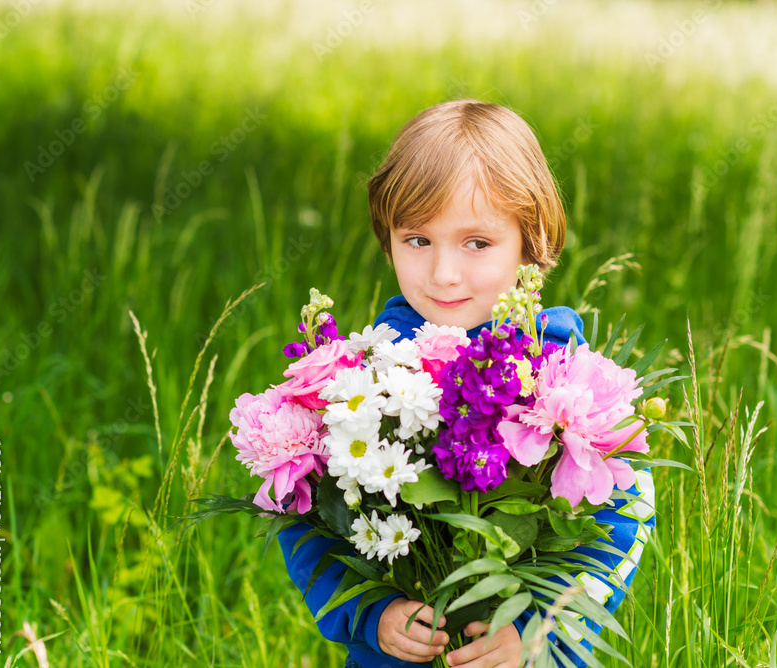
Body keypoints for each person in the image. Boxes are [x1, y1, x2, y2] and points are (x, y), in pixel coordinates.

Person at [278, 99, 656, 668]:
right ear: (387, 238)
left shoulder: (565, 378)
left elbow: (626, 518)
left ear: (531, 242)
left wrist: (538, 631)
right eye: (417, 240)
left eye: (477, 243)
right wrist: (372, 614)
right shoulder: (362, 377)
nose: (443, 274)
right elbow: (307, 519)